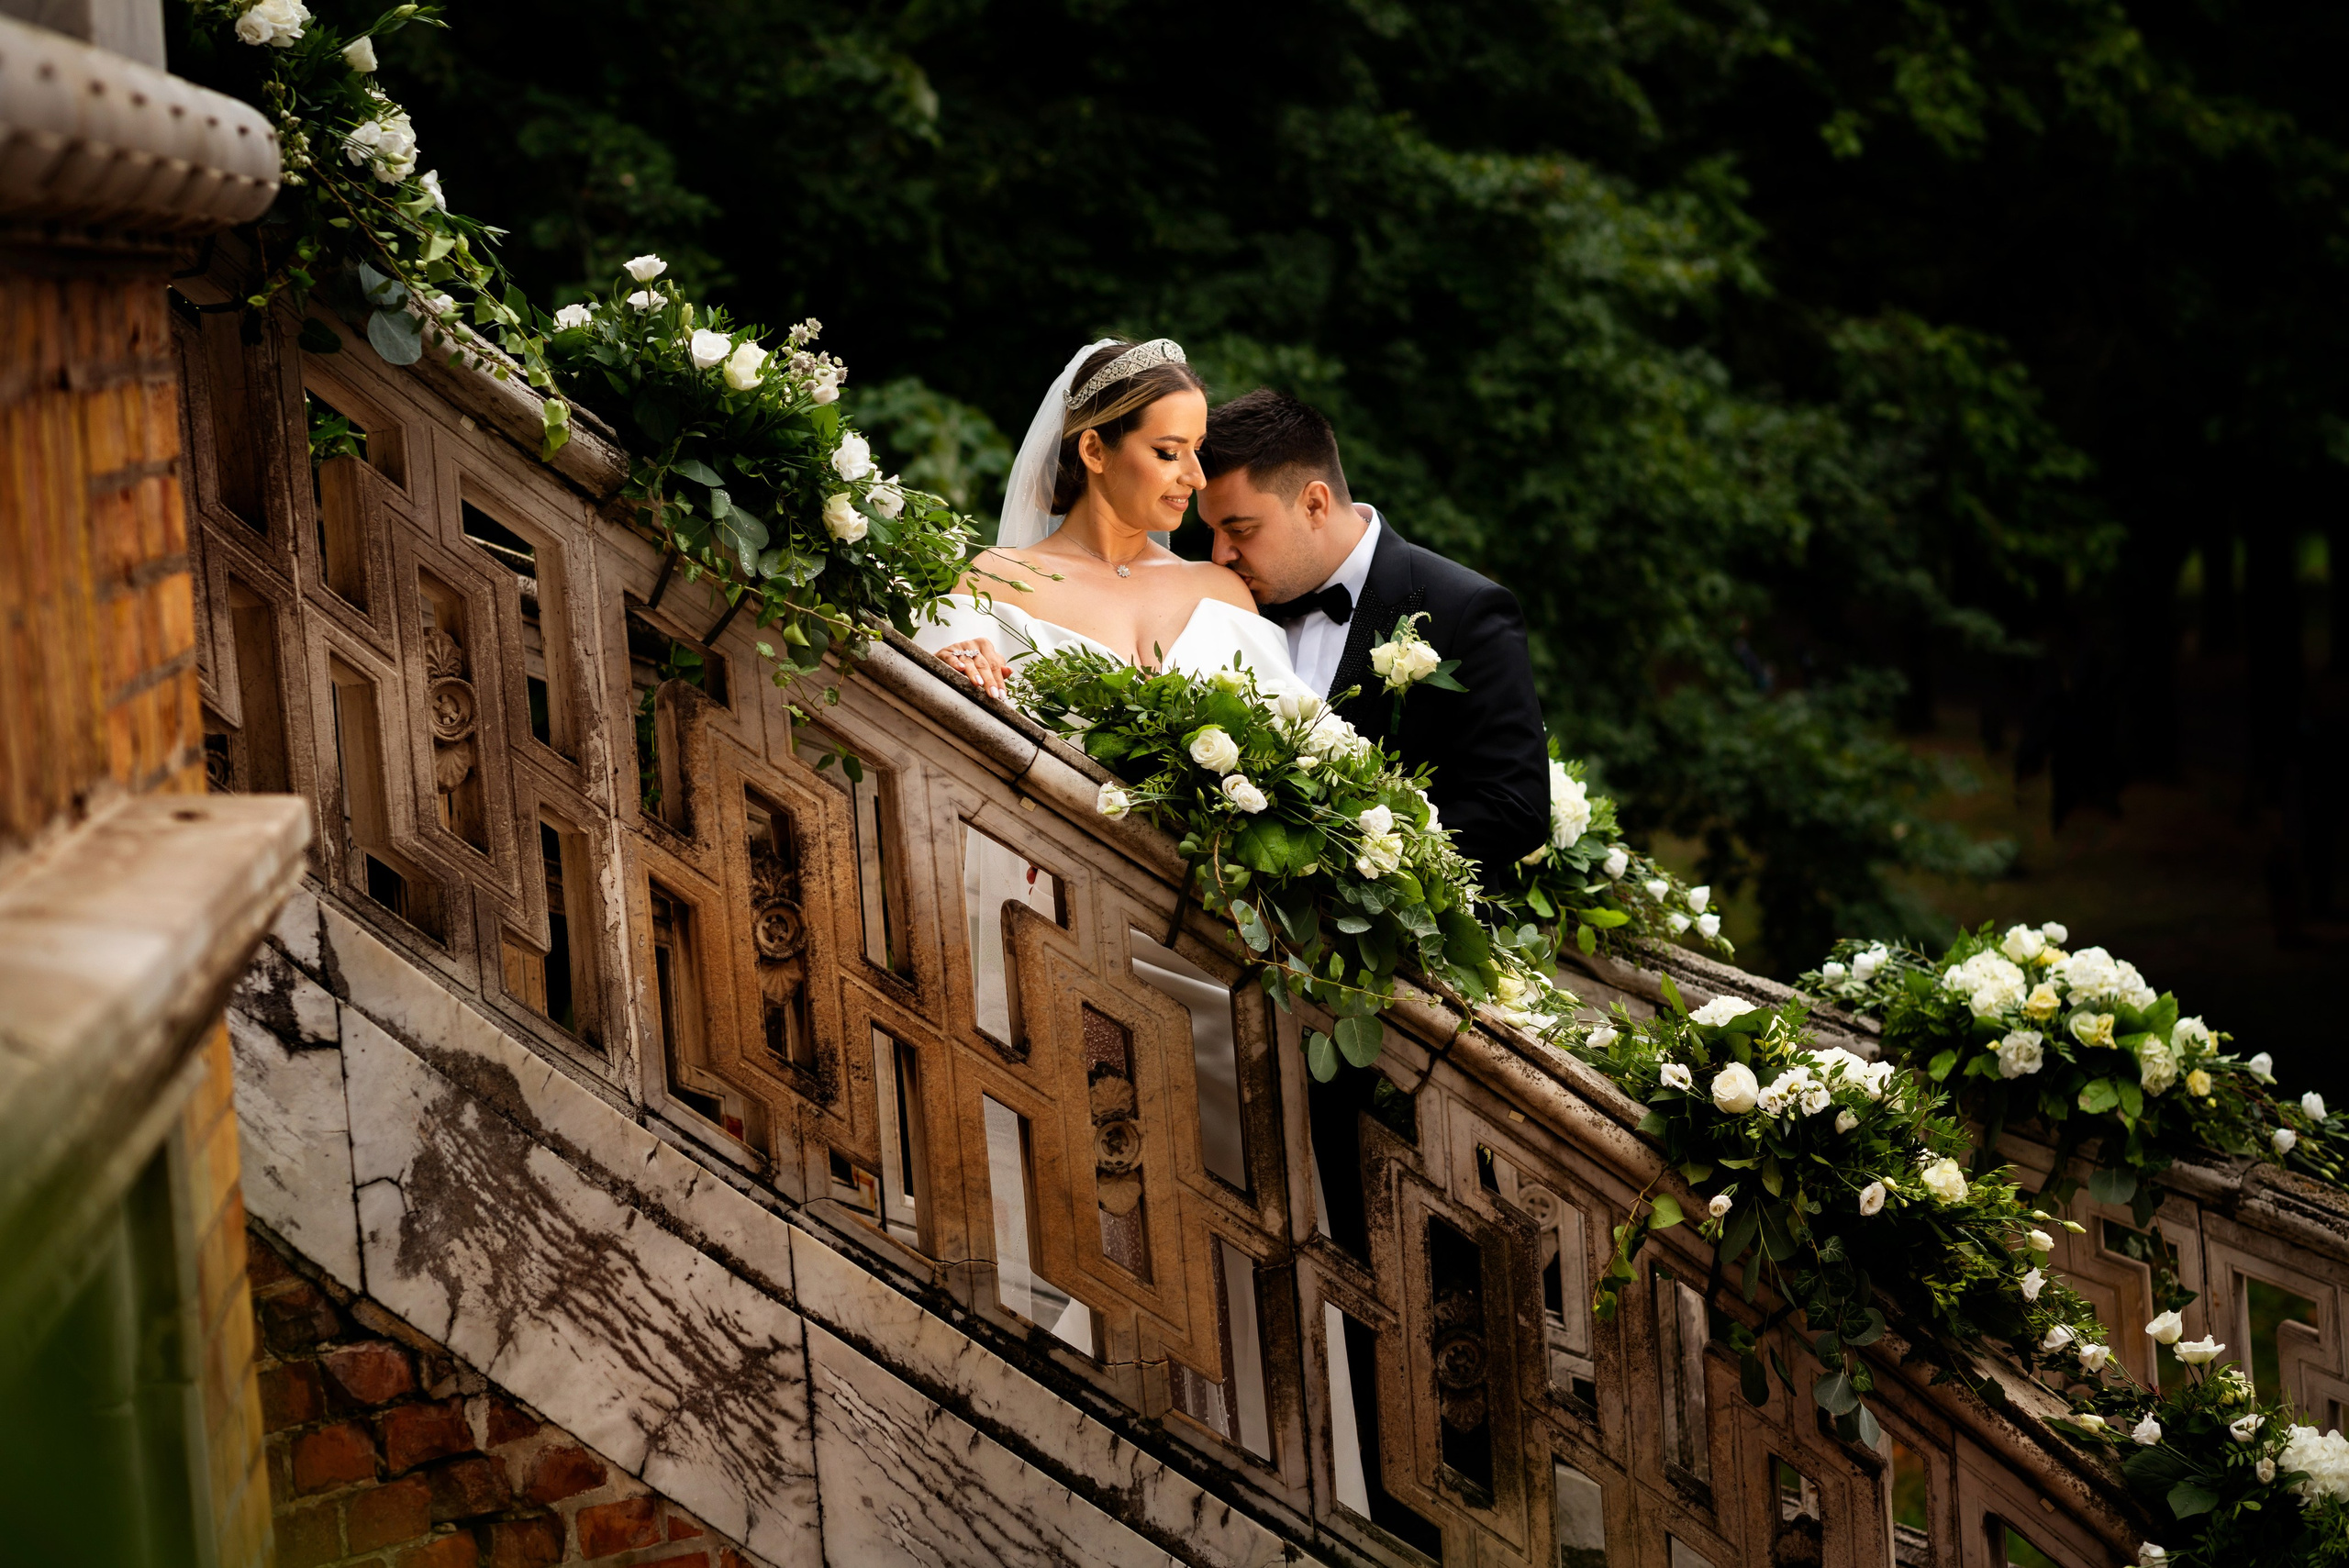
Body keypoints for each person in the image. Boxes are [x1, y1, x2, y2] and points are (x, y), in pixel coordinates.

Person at [1197, 389, 1548, 880]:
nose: (1220, 555)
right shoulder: (1227, 604)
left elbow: (1515, 808)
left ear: (1314, 504)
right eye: (1212, 530)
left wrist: (1352, 856)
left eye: (1240, 529)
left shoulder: (1464, 609)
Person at [915, 338, 1312, 698]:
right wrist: (952, 661)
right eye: (1169, 452)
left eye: (1198, 450)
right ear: (1095, 451)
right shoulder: (999, 581)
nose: (1197, 478)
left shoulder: (1223, 592)